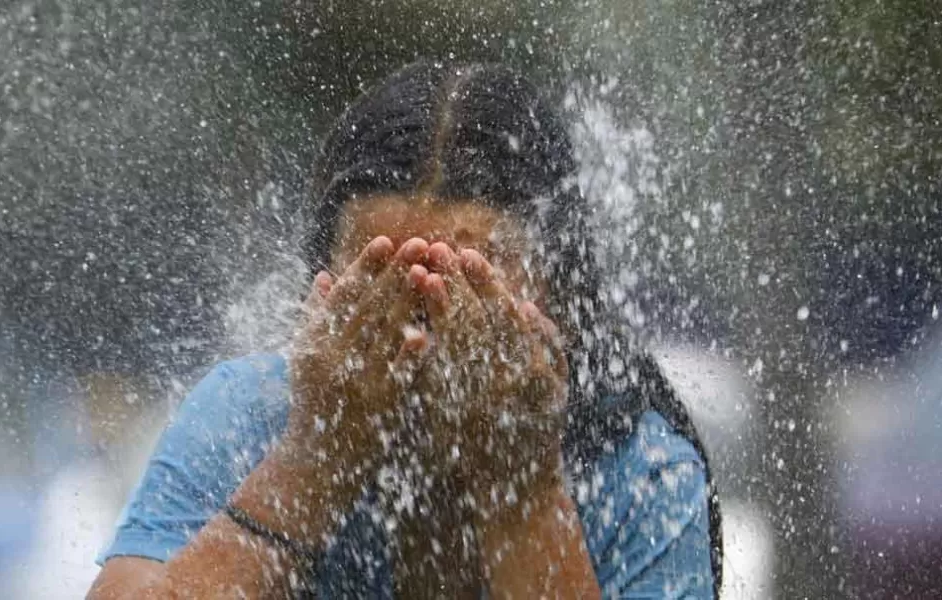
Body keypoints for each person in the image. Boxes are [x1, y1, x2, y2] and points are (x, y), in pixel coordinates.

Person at [87, 62, 720, 598]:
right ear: (320, 294)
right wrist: (314, 461)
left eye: (471, 295)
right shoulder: (253, 418)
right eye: (383, 290)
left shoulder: (639, 477)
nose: (422, 339)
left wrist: (521, 492)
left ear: (562, 300)